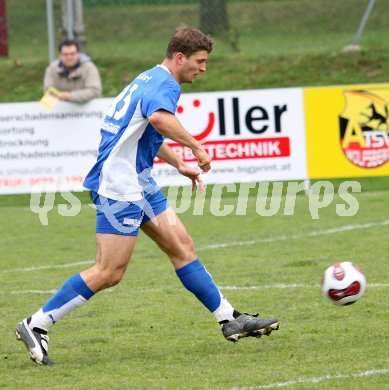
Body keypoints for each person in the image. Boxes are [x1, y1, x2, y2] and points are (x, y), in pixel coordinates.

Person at [16, 27, 280, 365]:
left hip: (139, 182)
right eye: (199, 62)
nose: (203, 68)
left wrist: (180, 164)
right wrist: (197, 147)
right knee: (109, 271)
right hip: (119, 186)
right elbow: (158, 118)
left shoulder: (150, 78)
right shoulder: (165, 85)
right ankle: (36, 323)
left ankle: (229, 319)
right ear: (180, 57)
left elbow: (148, 128)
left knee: (182, 247)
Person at [43, 39, 102, 104]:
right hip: (60, 111)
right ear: (60, 55)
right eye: (66, 54)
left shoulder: (89, 68)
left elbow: (94, 91)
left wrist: (70, 96)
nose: (69, 57)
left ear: (78, 54)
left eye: (72, 54)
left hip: (90, 111)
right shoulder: (52, 68)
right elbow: (48, 91)